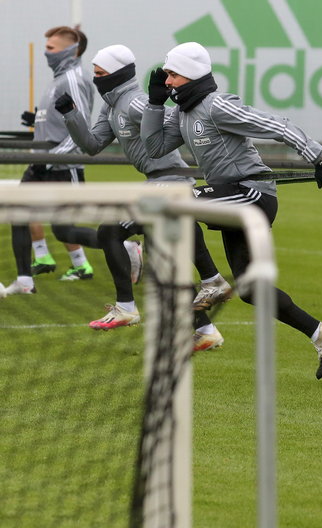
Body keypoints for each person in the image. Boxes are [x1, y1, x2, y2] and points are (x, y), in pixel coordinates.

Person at [140, 42, 322, 379]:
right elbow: (154, 148)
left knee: (174, 204)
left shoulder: (217, 105)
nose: (167, 81)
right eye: (166, 74)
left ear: (191, 74)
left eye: (173, 74)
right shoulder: (182, 113)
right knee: (252, 290)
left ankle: (211, 283)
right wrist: (153, 104)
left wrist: (320, 159)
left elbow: (277, 125)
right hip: (229, 198)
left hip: (252, 195)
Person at [57, 44, 232, 350]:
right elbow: (93, 145)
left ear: (117, 74)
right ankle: (206, 330)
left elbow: (177, 126)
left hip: (170, 181)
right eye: (95, 73)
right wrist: (70, 115)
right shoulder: (110, 108)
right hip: (157, 182)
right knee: (163, 264)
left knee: (109, 231)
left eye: (101, 74)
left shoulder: (136, 103)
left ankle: (126, 308)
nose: (96, 79)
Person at [9, 25, 97, 293]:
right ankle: (25, 281)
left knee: (64, 232)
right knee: (17, 214)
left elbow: (81, 131)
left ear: (72, 51)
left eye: (51, 48)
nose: (47, 53)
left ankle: (125, 245)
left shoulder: (73, 79)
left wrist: (51, 158)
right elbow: (57, 124)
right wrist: (36, 121)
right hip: (41, 165)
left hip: (62, 167)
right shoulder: (57, 81)